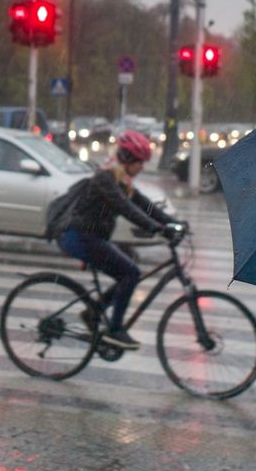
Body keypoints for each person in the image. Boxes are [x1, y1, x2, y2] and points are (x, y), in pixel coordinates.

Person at [58, 130, 181, 350]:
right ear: (128, 158)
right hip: (80, 237)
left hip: (91, 236)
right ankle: (115, 329)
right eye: (140, 162)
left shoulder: (120, 177)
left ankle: (93, 312)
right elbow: (125, 208)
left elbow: (144, 205)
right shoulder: (106, 177)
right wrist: (156, 228)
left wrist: (173, 222)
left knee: (127, 274)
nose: (142, 167)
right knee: (130, 273)